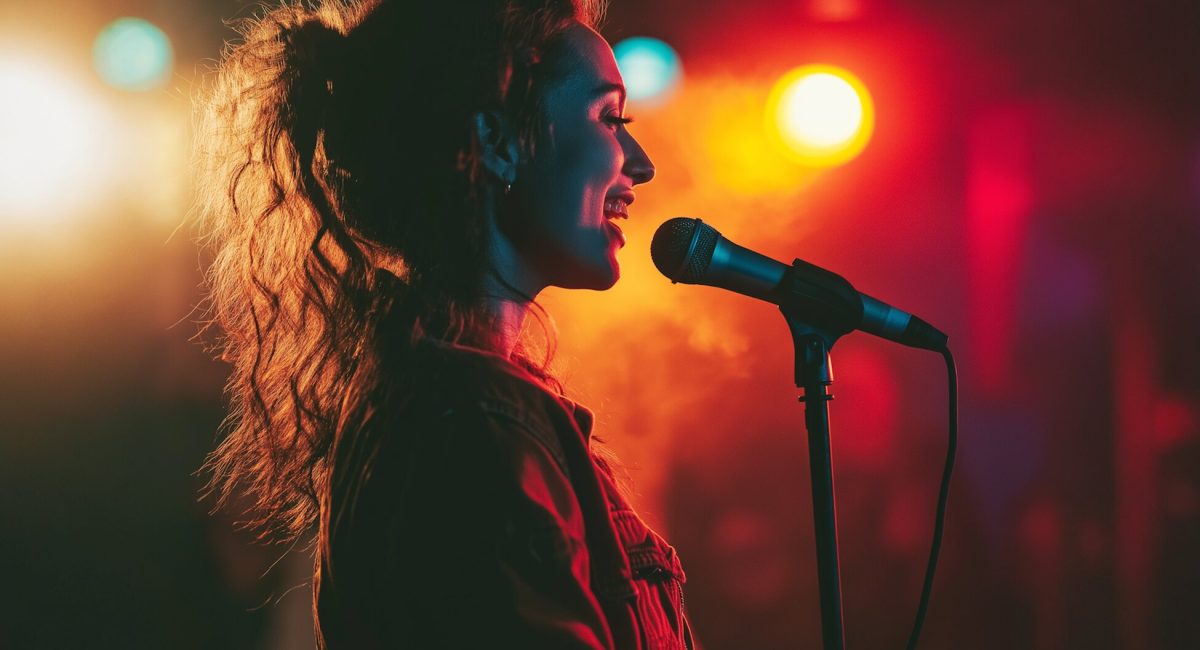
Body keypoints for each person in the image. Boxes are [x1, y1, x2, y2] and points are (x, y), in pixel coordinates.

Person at [194, 0, 692, 647]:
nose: (639, 162)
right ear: (495, 140)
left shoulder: (448, 403)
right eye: (608, 117)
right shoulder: (473, 426)